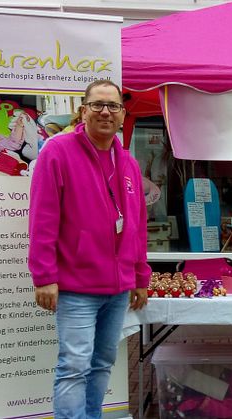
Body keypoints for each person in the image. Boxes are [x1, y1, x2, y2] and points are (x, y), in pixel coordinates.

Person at [28, 80, 151, 419]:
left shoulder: (128, 163)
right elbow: (43, 219)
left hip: (117, 288)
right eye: (97, 104)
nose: (105, 112)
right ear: (83, 111)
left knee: (101, 365)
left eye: (113, 106)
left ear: (123, 115)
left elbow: (137, 226)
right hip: (76, 287)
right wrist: (44, 276)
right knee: (74, 367)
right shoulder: (57, 151)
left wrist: (141, 276)